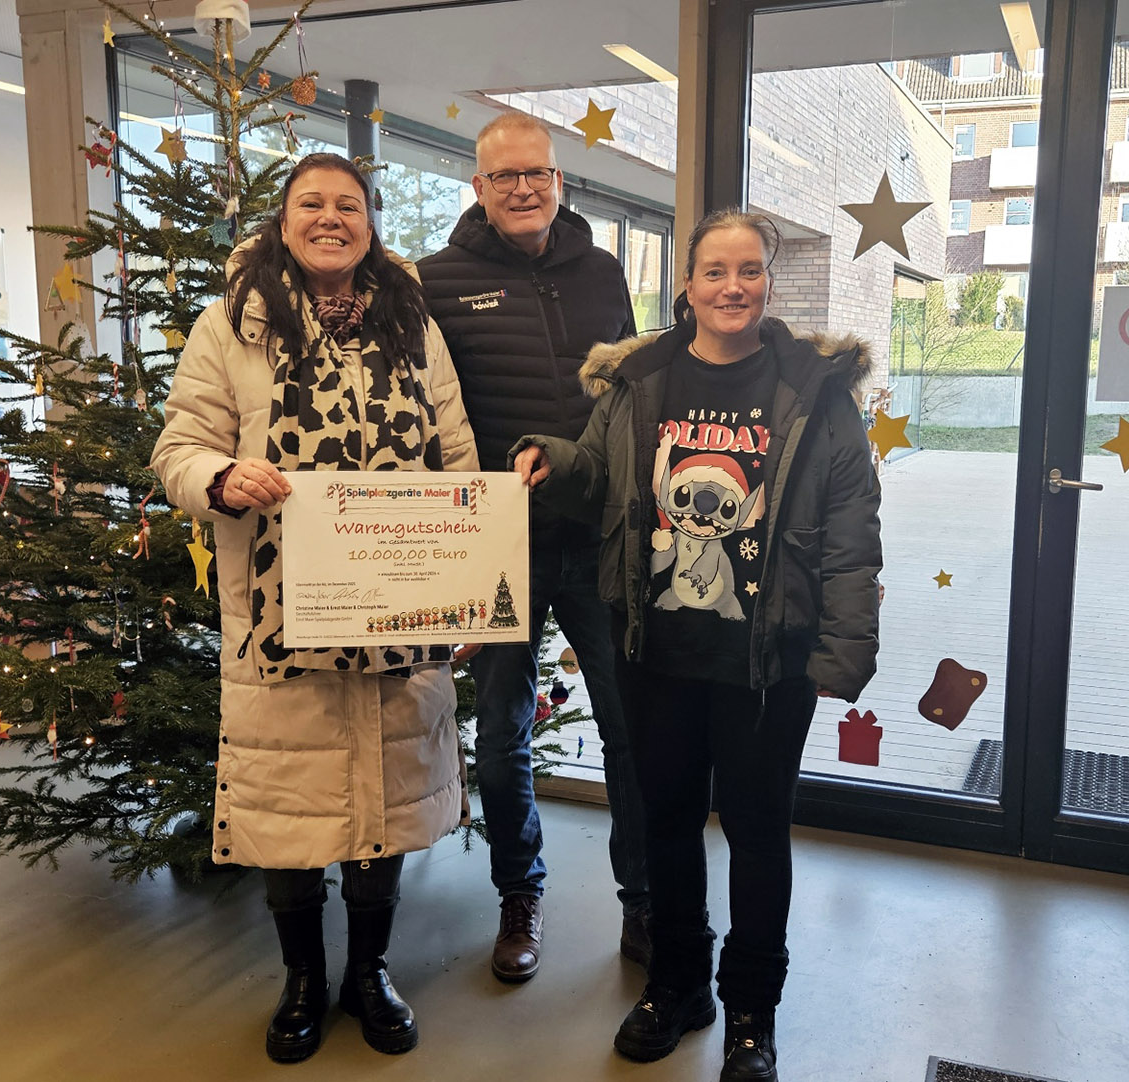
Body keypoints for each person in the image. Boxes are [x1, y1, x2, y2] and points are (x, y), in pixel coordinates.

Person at [510, 210, 883, 1082]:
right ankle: (678, 985)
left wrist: (844, 650)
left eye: (749, 270)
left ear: (768, 282)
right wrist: (552, 460)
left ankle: (752, 1011)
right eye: (715, 270)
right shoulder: (640, 378)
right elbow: (599, 476)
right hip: (656, 651)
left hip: (769, 662)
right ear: (687, 283)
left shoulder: (815, 389)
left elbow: (851, 532)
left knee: (758, 835)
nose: (732, 287)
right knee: (666, 825)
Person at [150, 153, 479, 1064]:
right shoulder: (233, 324)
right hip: (279, 612)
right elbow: (179, 446)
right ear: (282, 219)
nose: (330, 218)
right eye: (311, 204)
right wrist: (222, 476)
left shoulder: (412, 323)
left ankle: (369, 972)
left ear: (370, 223)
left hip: (399, 603)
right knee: (288, 798)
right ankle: (302, 979)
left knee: (387, 794)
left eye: (348, 205)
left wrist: (465, 580)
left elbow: (455, 454)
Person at [419, 112, 649, 983]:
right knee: (503, 735)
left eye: (538, 174)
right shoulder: (435, 281)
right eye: (505, 175)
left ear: (560, 182)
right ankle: (519, 895)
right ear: (478, 187)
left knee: (629, 727)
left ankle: (644, 902)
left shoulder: (601, 270)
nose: (523, 188)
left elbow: (626, 396)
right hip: (496, 545)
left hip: (596, 538)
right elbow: (425, 410)